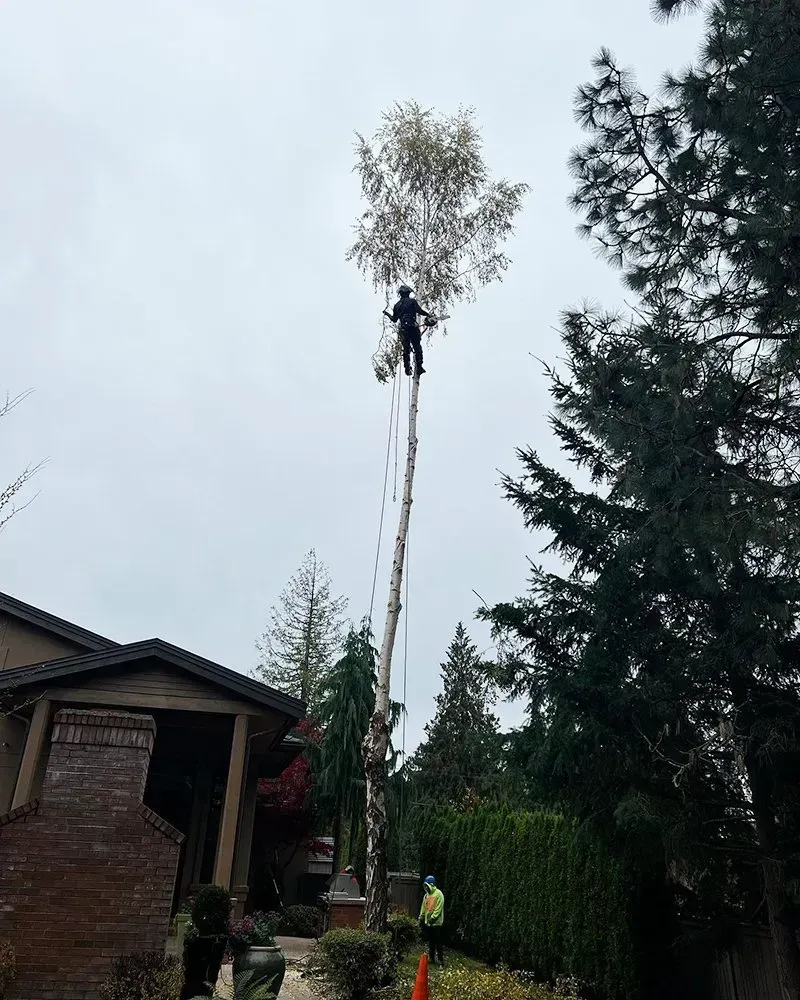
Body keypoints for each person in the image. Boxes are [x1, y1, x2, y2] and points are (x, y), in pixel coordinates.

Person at [383, 284, 431, 377]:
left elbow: (394, 319)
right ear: (408, 293)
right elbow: (419, 310)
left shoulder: (397, 305)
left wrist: (387, 314)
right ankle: (419, 367)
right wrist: (428, 314)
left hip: (403, 329)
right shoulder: (412, 301)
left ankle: (407, 368)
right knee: (417, 347)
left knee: (406, 349)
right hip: (412, 327)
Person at [419, 874, 445, 966]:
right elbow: (424, 907)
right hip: (428, 924)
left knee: (438, 943)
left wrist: (432, 919)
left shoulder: (439, 894)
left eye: (427, 885)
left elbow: (438, 909)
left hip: (437, 924)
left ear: (431, 884)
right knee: (431, 942)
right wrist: (421, 917)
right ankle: (432, 958)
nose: (426, 887)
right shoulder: (426, 895)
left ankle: (441, 960)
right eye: (425, 885)